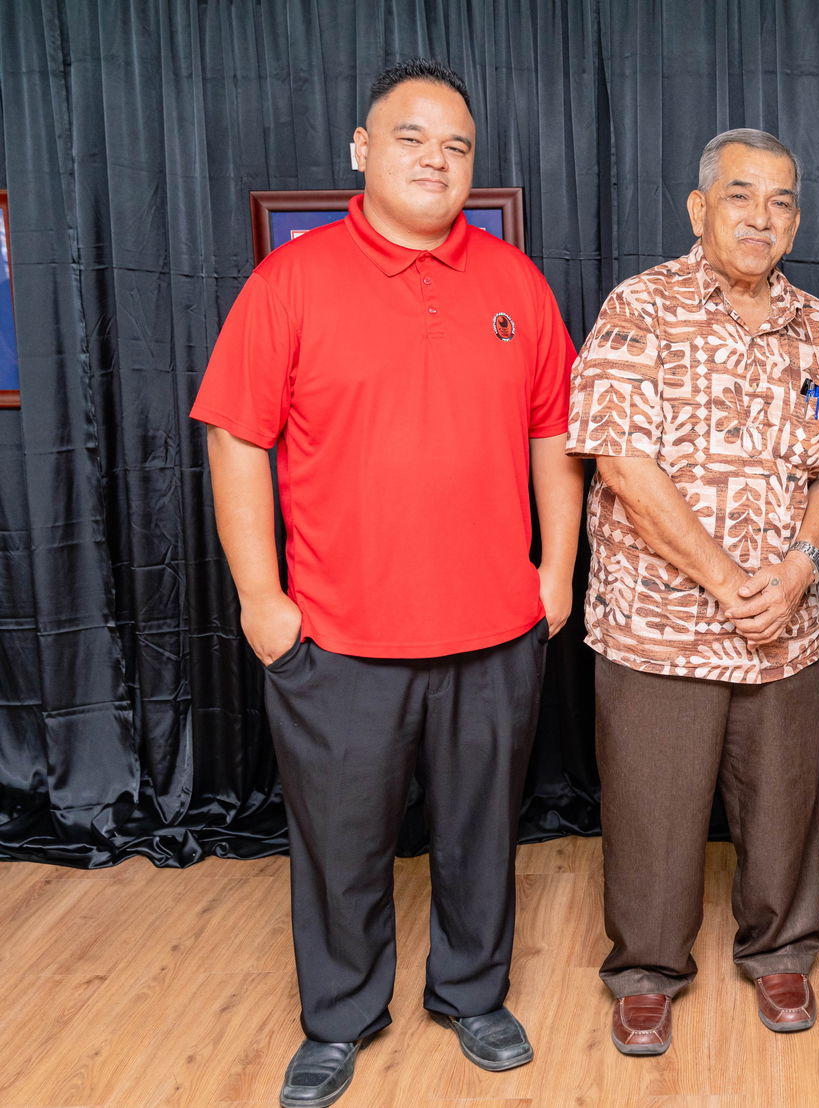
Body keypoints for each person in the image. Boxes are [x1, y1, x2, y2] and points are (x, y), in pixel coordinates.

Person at [191, 58, 584, 1108]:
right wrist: (260, 601)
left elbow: (555, 433)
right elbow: (236, 439)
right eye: (412, 138)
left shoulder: (515, 283)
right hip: (339, 635)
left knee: (479, 832)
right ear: (362, 151)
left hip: (493, 629)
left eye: (456, 145)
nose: (436, 160)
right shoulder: (292, 280)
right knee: (341, 844)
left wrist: (557, 570)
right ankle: (341, 1015)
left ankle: (471, 993)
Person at [566, 128, 819, 1057]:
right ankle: (646, 970)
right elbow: (622, 463)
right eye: (740, 196)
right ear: (698, 208)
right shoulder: (640, 307)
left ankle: (781, 952)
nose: (762, 218)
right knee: (652, 805)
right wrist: (726, 581)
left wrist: (802, 566)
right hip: (660, 624)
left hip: (784, 623)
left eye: (782, 202)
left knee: (784, 804)